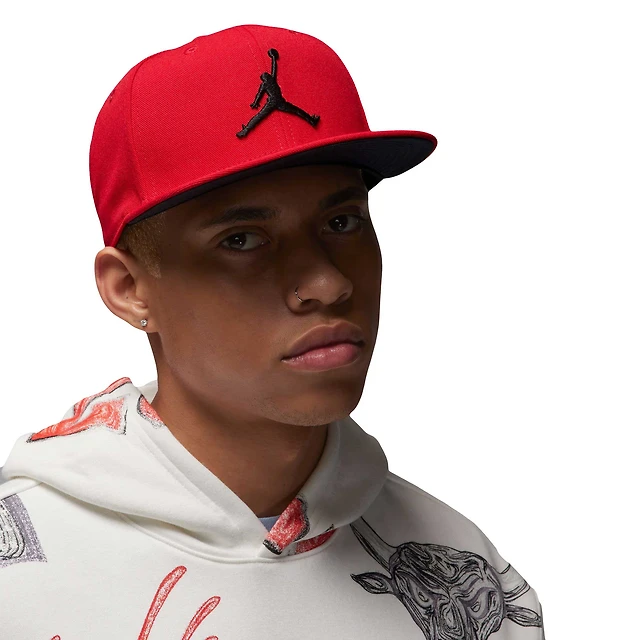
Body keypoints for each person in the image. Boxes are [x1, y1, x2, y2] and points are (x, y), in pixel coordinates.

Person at [0, 24, 545, 638]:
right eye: (241, 240)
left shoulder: (472, 578)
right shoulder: (16, 581)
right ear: (128, 289)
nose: (328, 283)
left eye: (342, 222)